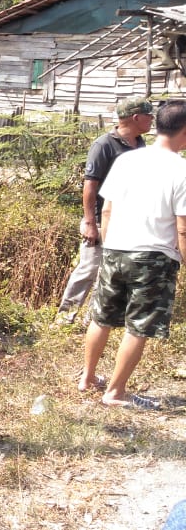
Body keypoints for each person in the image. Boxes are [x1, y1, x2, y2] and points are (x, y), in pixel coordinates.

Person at [77, 99, 186, 407]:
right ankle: (115, 392)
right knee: (139, 326)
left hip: (115, 249)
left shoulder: (128, 160)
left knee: (103, 317)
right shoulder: (182, 170)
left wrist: (110, 246)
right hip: (153, 257)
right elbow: (182, 228)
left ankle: (87, 378)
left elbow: (107, 208)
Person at [54, 97, 154, 326]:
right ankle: (64, 318)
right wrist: (90, 223)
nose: (152, 121)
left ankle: (94, 320)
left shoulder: (140, 144)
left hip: (125, 221)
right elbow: (90, 186)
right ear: (136, 117)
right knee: (88, 269)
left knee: (110, 273)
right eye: (149, 116)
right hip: (100, 220)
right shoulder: (104, 145)